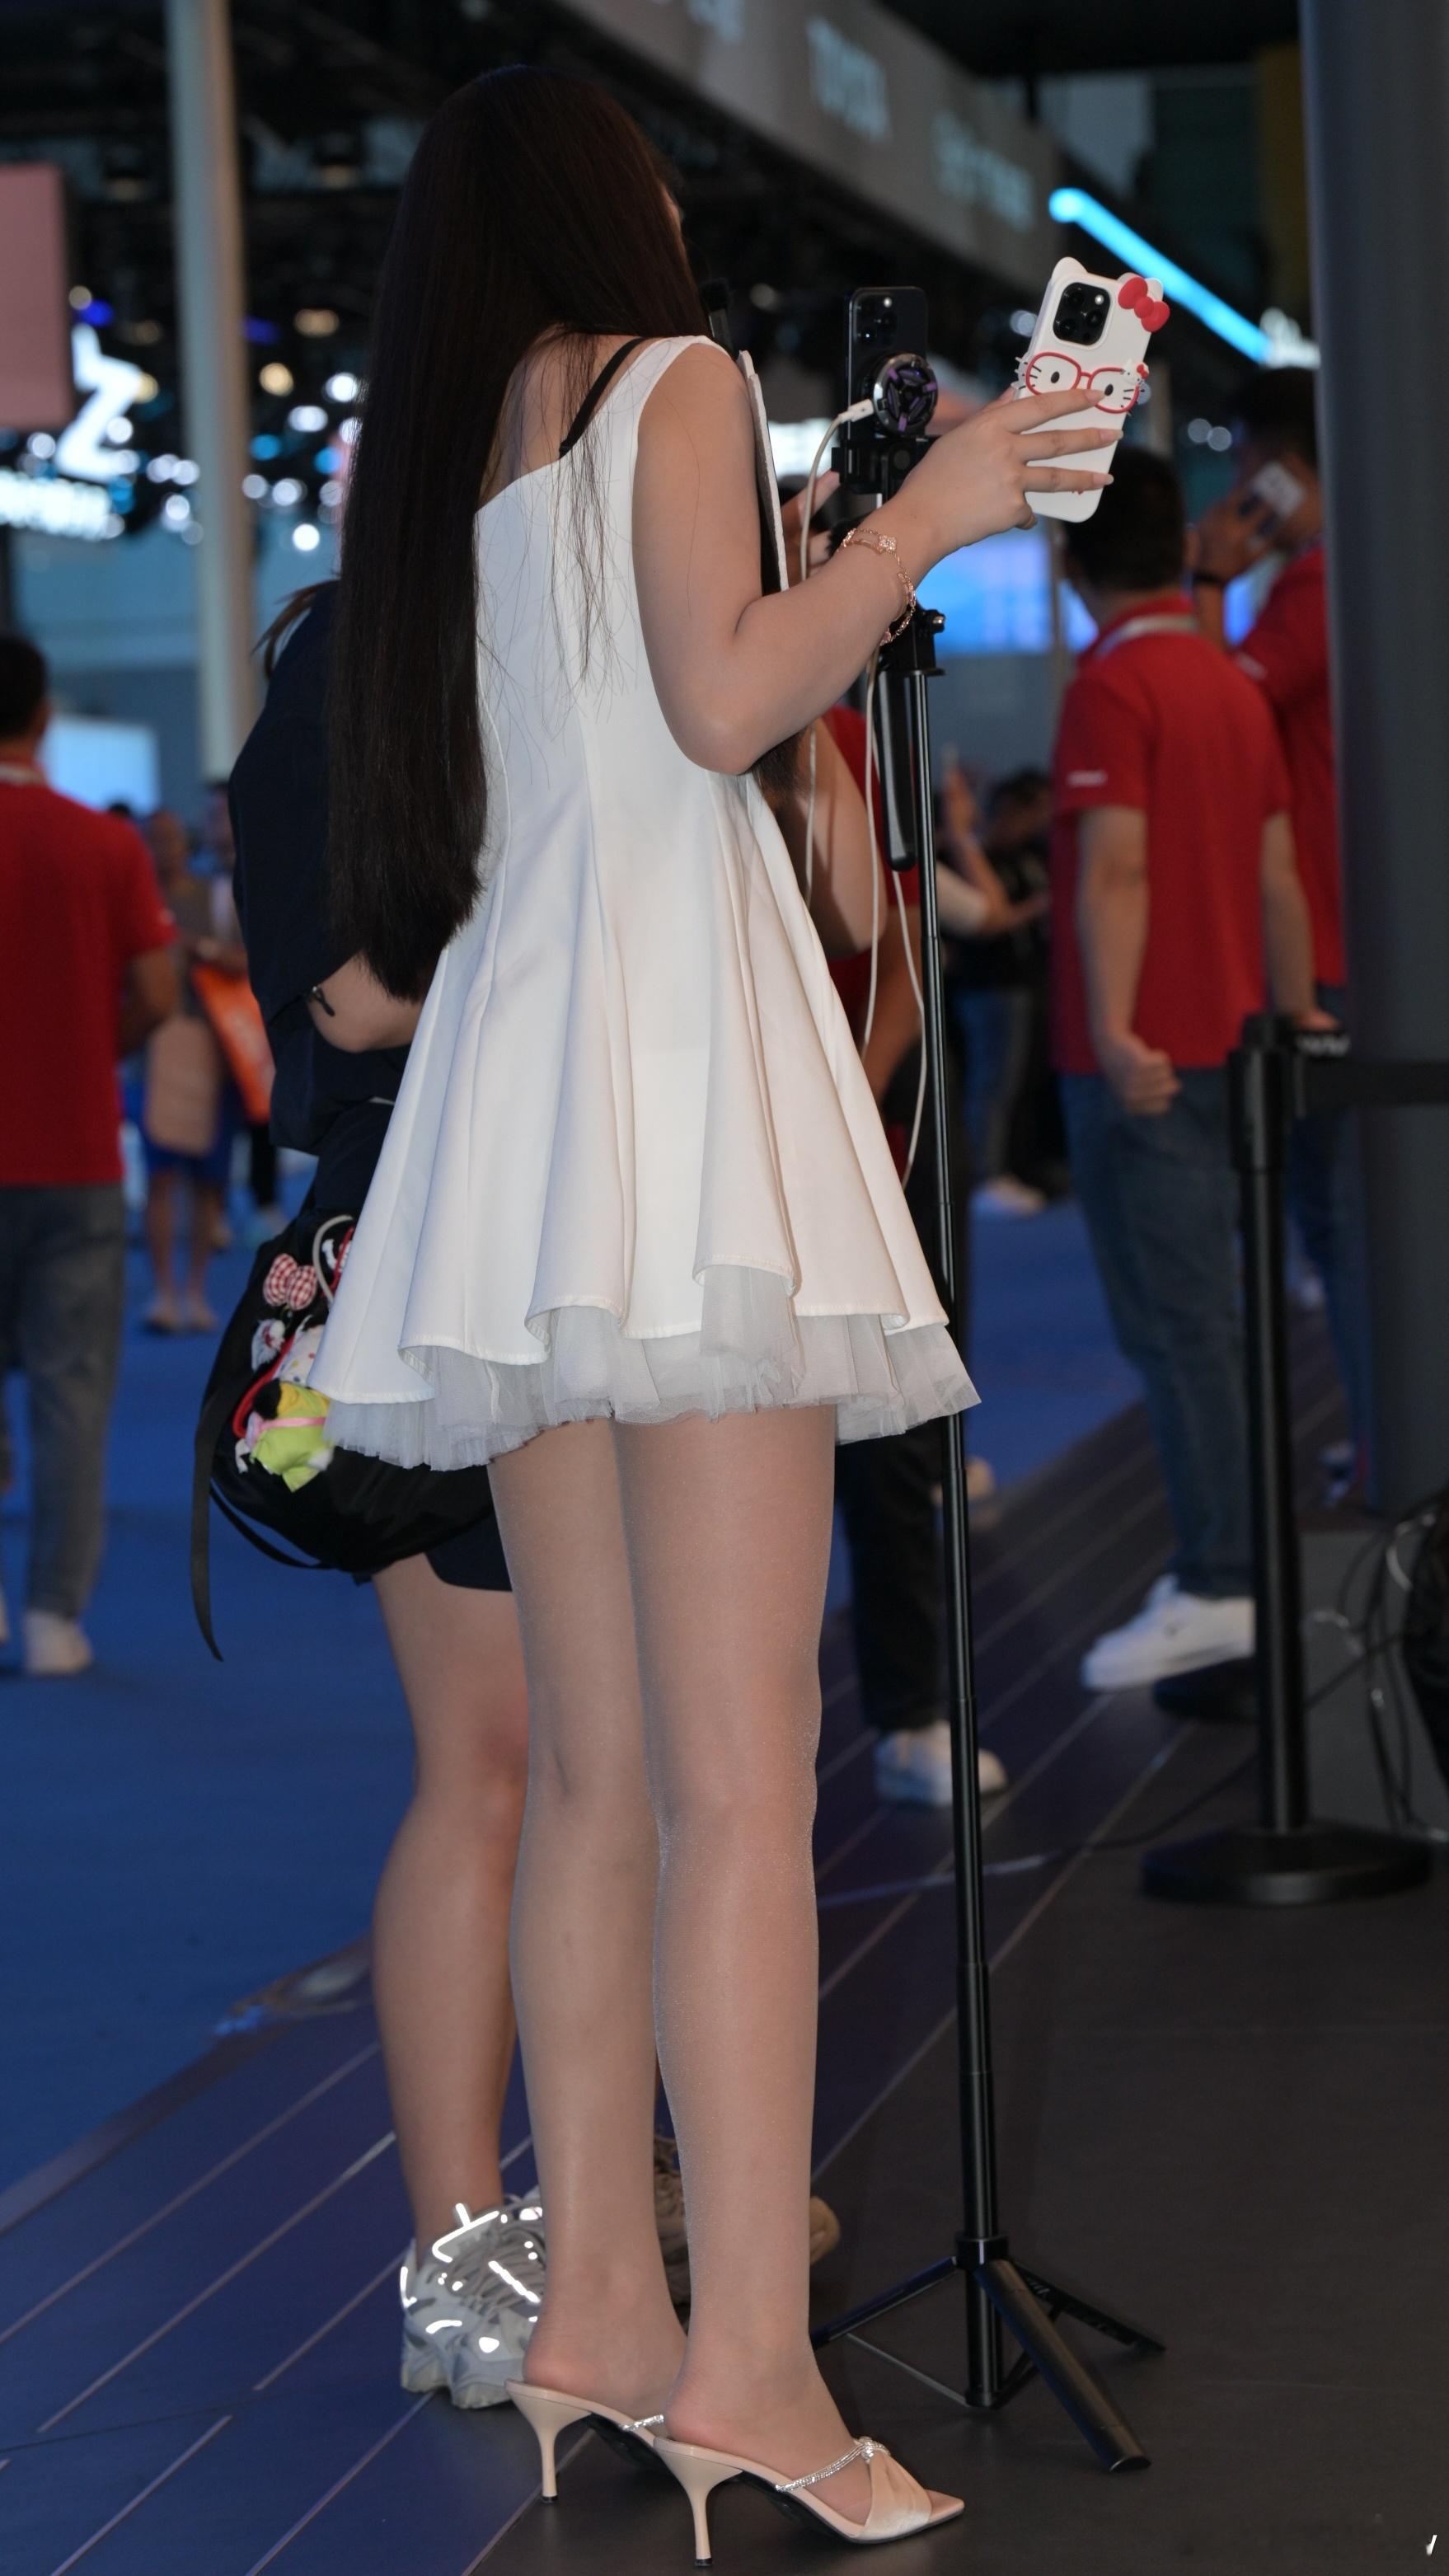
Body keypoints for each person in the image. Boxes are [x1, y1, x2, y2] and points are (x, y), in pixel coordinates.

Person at [306, 68, 1111, 2550]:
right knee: (739, 1782)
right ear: (604, 205)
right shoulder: (665, 384)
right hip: (676, 1089)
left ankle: (601, 2323)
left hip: (531, 1108)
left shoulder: (451, 465)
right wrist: (930, 519)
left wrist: (866, 535)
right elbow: (728, 701)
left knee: (602, 1775)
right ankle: (749, 2369)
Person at [232, 570, 868, 2401]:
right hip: (445, 1249)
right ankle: (459, 2248)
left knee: (641, 1753)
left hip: (603, 1242)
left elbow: (836, 900)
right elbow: (348, 993)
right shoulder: (363, 655)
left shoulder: (604, 619)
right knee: (507, 1759)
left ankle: (597, 2195)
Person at [1051, 449, 1325, 1692]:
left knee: (1177, 1332)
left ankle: (1224, 1583)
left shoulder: (1113, 685)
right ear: (1180, 550)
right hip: (1228, 1044)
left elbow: (1115, 868)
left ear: (1073, 563)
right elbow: (1276, 870)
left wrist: (1114, 1032)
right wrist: (1296, 1005)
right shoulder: (1223, 678)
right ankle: (1238, 1570)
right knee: (1213, 1324)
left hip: (1144, 1065)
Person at [826, 701, 1009, 1808]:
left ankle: (912, 1711)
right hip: (689, 1146)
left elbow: (902, 940)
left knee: (892, 1431)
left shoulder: (851, 737)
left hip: (862, 1119)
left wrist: (847, 1110)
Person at [1190, 368, 1367, 1466]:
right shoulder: (1347, 575)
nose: (1241, 491)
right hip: (1345, 929)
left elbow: (1221, 719)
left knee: (1339, 1222)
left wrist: (1211, 581)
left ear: (1290, 469)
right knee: (1345, 1218)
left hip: (1325, 945)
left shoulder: (1314, 590)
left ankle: (1388, 1446)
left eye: (1252, 468)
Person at [0, 635, 176, 1674]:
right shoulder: (105, 846)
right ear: (43, 718)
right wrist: (88, 1046)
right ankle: (54, 1617)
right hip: (75, 1153)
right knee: (70, 1395)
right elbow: (157, 992)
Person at [137, 811, 245, 1331]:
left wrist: (196, 949)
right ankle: (164, 1291)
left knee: (208, 1180)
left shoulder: (216, 897)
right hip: (155, 1054)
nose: (164, 849)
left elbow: (245, 960)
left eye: (171, 839)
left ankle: (196, 1289)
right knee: (159, 1177)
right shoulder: (136, 897)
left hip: (211, 1050)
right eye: (154, 840)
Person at [945, 763, 1054, 1218]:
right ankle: (985, 1174)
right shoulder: (961, 853)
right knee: (991, 1085)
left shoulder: (1029, 855)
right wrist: (959, 833)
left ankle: (1005, 1168)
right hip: (985, 985)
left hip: (1020, 983)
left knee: (1011, 1085)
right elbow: (992, 917)